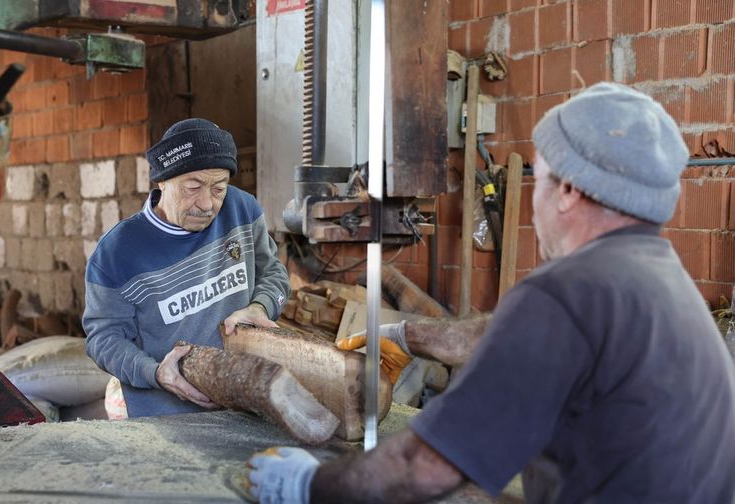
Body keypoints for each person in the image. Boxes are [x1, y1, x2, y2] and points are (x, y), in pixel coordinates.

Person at [247, 83, 735, 503]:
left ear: (567, 190)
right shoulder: (656, 278)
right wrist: (401, 332)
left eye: (539, 178)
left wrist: (311, 486)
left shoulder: (567, 292)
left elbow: (427, 466)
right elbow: (502, 337)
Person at [83, 118, 291, 417]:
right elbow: (104, 340)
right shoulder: (118, 253)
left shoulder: (242, 210)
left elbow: (273, 273)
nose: (207, 203)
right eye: (193, 187)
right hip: (168, 422)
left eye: (219, 188)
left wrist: (262, 306)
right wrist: (155, 373)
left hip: (247, 407)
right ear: (162, 181)